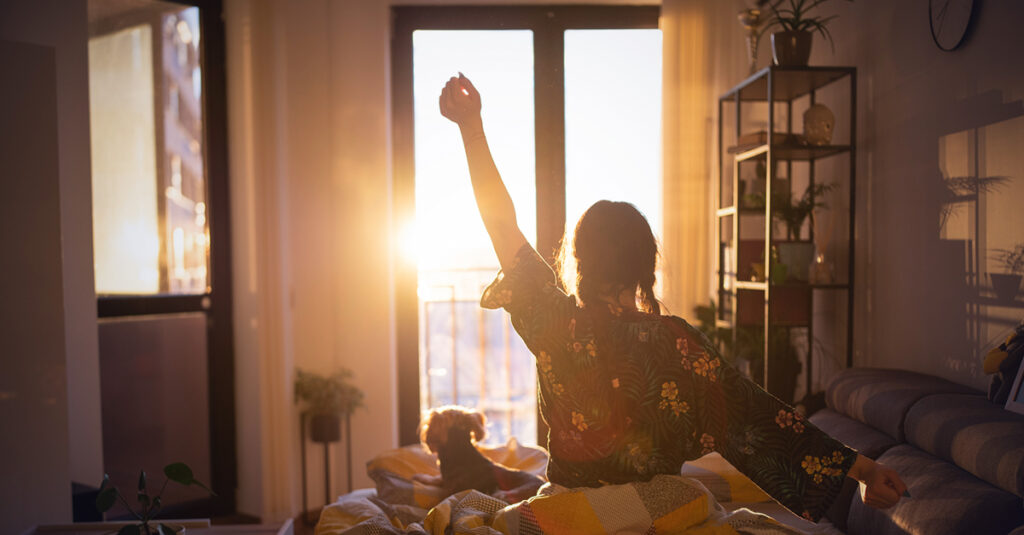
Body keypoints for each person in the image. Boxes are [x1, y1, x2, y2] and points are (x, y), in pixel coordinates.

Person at [438, 73, 906, 522]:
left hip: (568, 513)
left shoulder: (556, 322)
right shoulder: (680, 345)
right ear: (647, 264)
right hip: (657, 514)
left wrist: (471, 126)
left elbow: (501, 223)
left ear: (580, 259)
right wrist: (864, 470)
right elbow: (762, 416)